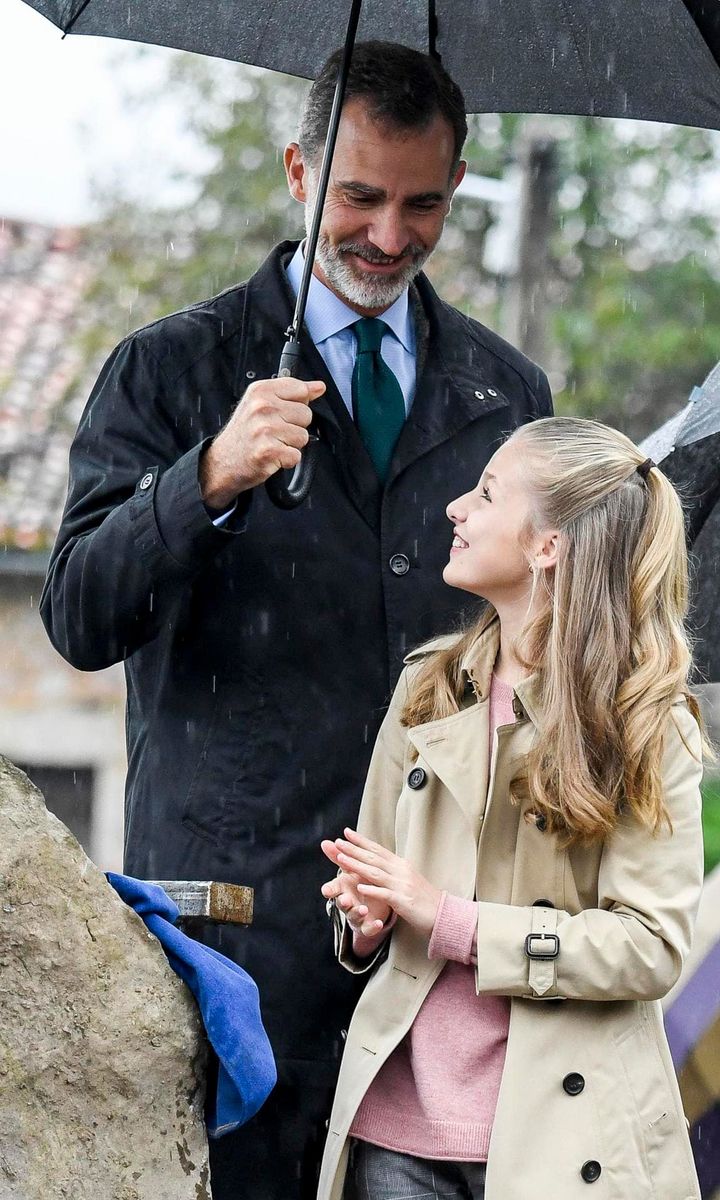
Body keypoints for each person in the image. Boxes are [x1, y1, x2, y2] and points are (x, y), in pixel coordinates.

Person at [39, 42, 552, 1200]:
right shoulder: (171, 368)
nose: (386, 234)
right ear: (297, 171)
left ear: (458, 186)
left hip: (427, 959)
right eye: (359, 197)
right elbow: (74, 612)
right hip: (227, 954)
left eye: (421, 203)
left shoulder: (505, 396)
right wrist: (203, 477)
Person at [319, 416, 711, 1200]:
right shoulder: (426, 688)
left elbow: (650, 948)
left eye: (487, 493)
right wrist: (363, 921)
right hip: (397, 1127)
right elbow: (380, 881)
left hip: (569, 1140)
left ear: (548, 546)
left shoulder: (645, 720)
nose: (455, 509)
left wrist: (455, 922)